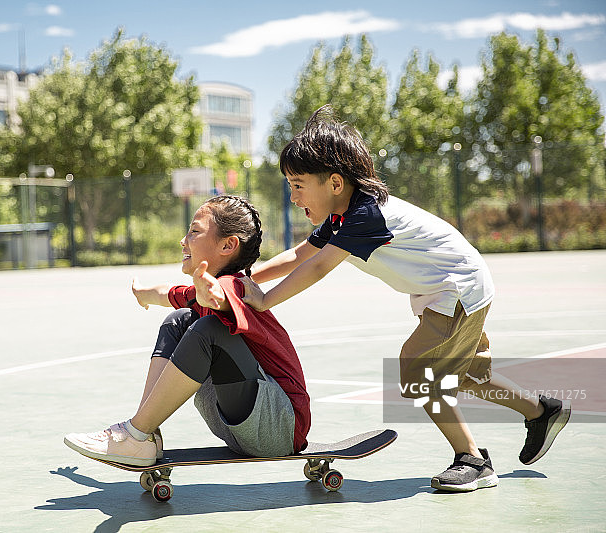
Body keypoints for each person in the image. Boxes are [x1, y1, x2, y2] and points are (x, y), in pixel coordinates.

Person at [241, 104, 571, 492]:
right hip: (457, 288)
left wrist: (262, 301)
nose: (294, 197)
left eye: (298, 185)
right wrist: (241, 275)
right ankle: (541, 410)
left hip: (456, 289)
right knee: (464, 374)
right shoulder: (342, 214)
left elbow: (317, 268)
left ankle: (473, 461)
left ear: (333, 183)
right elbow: (300, 255)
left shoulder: (365, 215)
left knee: (417, 370)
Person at [64, 195, 311, 467]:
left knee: (210, 329)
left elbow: (220, 297)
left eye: (194, 231)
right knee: (179, 319)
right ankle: (145, 435)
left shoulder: (237, 286)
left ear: (228, 245)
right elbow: (166, 294)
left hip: (281, 426)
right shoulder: (204, 290)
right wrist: (142, 293)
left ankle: (133, 435)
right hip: (240, 424)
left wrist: (210, 295)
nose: (184, 240)